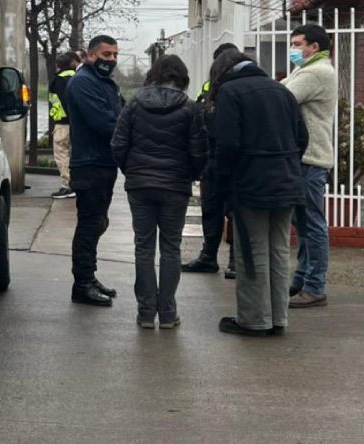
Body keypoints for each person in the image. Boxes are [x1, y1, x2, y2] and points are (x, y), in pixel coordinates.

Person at [210, 51, 308, 337]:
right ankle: (278, 317)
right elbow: (302, 137)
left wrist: (223, 182)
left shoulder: (230, 91)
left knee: (251, 251)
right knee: (278, 250)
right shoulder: (282, 90)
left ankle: (254, 320)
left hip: (251, 183)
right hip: (287, 181)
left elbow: (228, 144)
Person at [111, 55, 207, 328]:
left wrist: (131, 171)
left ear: (155, 74)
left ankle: (145, 313)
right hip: (175, 186)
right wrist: (190, 175)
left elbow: (118, 144)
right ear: (181, 77)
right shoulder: (190, 108)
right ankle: (167, 313)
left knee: (143, 248)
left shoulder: (134, 103)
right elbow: (199, 151)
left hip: (140, 185)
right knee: (170, 248)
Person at [65, 35, 124, 307]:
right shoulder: (83, 83)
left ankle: (89, 276)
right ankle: (83, 283)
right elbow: (105, 123)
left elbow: (120, 116)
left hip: (103, 163)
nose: (111, 59)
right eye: (106, 54)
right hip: (90, 164)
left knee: (98, 222)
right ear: (91, 55)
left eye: (114, 55)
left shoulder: (104, 83)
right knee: (90, 224)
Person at [283, 24, 338, 308]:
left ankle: (315, 286)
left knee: (312, 224)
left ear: (314, 47)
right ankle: (303, 277)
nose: (293, 49)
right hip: (305, 158)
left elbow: (281, 98)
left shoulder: (316, 73)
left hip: (310, 158)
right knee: (302, 223)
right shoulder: (306, 71)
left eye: (297, 44)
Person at [183, 42, 239, 279]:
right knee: (212, 210)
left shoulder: (238, 88)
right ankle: (209, 257)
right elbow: (198, 115)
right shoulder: (209, 88)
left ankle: (235, 261)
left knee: (234, 212)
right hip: (213, 159)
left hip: (232, 160)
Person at [48, 52, 81, 199]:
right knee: (75, 155)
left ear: (58, 66)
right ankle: (77, 183)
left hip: (62, 124)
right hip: (78, 125)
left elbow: (63, 102)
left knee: (62, 155)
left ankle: (67, 186)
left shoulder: (59, 80)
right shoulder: (79, 78)